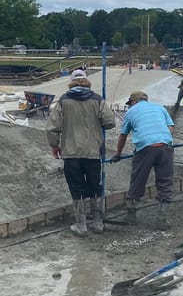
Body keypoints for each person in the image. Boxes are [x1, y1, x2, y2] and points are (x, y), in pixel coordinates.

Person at [45, 69, 116, 235]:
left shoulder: (64, 100)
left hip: (71, 153)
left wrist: (54, 146)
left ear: (71, 82)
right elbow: (110, 121)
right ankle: (98, 222)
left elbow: (52, 128)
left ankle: (81, 224)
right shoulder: (97, 99)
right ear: (86, 81)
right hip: (92, 151)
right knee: (94, 186)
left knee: (76, 188)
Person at [111, 91, 175, 228]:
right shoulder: (160, 108)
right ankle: (162, 220)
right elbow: (170, 128)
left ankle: (131, 216)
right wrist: (162, 140)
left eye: (130, 104)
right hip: (166, 146)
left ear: (134, 102)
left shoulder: (131, 112)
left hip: (146, 147)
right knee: (165, 182)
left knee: (138, 180)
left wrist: (118, 154)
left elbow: (123, 135)